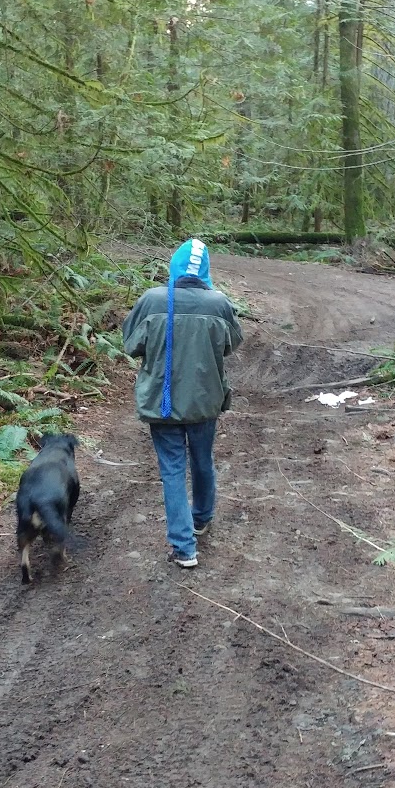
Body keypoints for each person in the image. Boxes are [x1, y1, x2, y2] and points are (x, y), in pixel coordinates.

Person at [122, 238, 243, 568]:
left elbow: (131, 344)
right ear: (205, 270)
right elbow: (231, 344)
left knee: (172, 471)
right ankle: (201, 518)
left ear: (173, 266)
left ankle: (184, 548)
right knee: (202, 460)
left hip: (163, 402)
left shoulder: (152, 299)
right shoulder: (219, 303)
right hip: (205, 402)